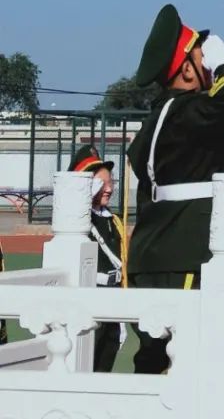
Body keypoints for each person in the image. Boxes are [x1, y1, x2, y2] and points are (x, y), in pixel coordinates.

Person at [125, 4, 224, 374]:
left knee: (153, 361)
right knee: (190, 361)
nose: (208, 65)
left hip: (152, 253)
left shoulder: (157, 119)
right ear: (186, 69)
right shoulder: (186, 112)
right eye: (201, 58)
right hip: (184, 253)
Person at [69, 144, 126, 372]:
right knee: (85, 363)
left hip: (112, 301)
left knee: (106, 362)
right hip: (89, 301)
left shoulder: (114, 221)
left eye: (110, 183)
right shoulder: (79, 219)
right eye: (100, 183)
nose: (108, 189)